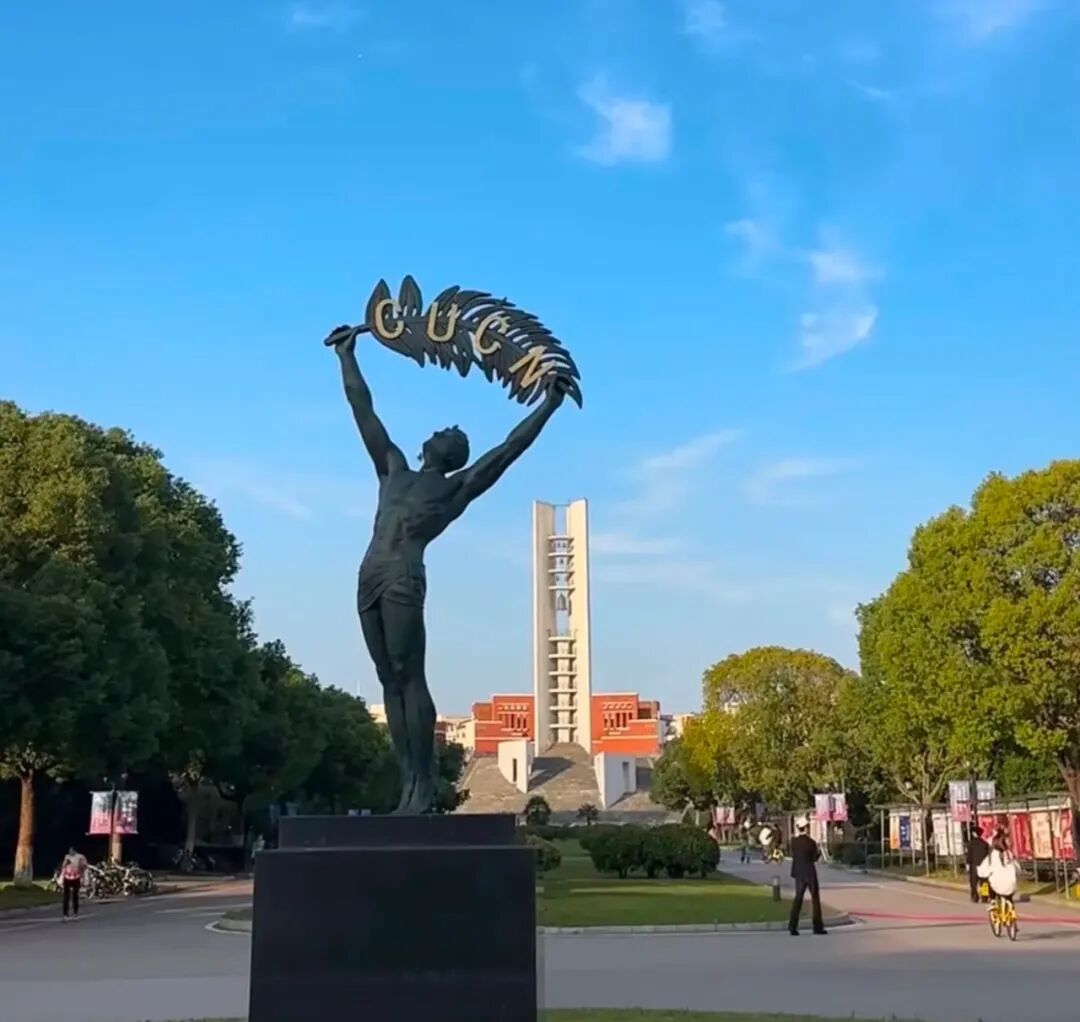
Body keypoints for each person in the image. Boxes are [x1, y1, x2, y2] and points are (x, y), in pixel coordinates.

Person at [327, 324, 569, 814]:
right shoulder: (393, 468)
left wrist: (549, 404)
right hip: (369, 574)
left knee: (408, 675)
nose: (442, 432)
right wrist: (346, 357)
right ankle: (408, 781)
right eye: (442, 430)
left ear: (453, 455)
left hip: (402, 577)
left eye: (451, 436)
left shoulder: (456, 488)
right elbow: (363, 411)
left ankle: (424, 783)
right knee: (387, 679)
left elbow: (509, 449)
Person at [789, 817, 827, 936]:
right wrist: (819, 852)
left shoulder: (794, 842)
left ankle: (793, 926)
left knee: (798, 898)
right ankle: (817, 927)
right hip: (810, 872)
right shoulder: (811, 842)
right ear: (806, 827)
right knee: (815, 899)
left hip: (799, 873)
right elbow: (814, 858)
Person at [986, 830, 1019, 908]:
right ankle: (1010, 903)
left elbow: (988, 868)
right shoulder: (1009, 853)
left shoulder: (994, 854)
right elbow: (1016, 867)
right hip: (1010, 884)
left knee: (990, 881)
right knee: (1009, 893)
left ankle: (992, 900)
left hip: (997, 884)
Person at [59, 846, 88, 921]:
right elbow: (63, 866)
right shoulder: (67, 857)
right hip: (67, 877)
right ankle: (65, 915)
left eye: (71, 851)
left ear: (75, 851)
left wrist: (81, 866)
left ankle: (75, 914)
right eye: (69, 851)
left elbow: (85, 866)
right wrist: (65, 863)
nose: (70, 852)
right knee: (66, 897)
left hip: (76, 877)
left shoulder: (80, 857)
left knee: (75, 896)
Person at [967, 821, 990, 903]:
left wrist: (968, 864)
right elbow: (988, 855)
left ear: (974, 833)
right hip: (984, 865)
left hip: (974, 865)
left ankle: (975, 896)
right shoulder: (985, 843)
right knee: (984, 882)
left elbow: (969, 855)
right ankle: (984, 897)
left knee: (973, 882)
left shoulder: (971, 843)